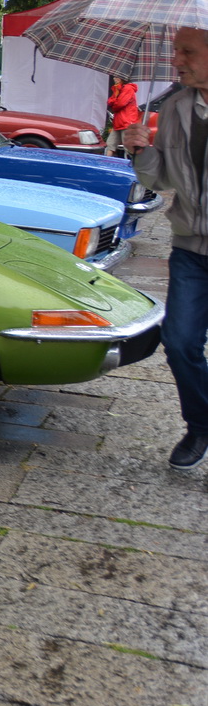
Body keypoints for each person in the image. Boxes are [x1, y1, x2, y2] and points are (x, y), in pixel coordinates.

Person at [122, 27, 208, 469]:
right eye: (177, 51)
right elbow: (164, 180)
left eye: (187, 52)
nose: (177, 60)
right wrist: (139, 150)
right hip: (192, 248)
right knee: (179, 341)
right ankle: (200, 426)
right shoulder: (175, 108)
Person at [106, 74, 140, 157]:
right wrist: (116, 93)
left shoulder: (128, 88)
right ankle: (105, 164)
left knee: (128, 147)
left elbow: (119, 104)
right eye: (114, 77)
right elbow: (110, 102)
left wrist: (114, 104)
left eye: (116, 77)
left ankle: (131, 167)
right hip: (119, 122)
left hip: (126, 122)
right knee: (110, 145)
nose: (114, 79)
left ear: (122, 78)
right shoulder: (118, 89)